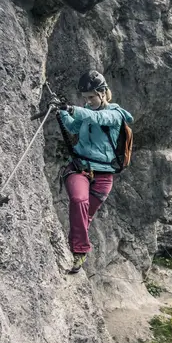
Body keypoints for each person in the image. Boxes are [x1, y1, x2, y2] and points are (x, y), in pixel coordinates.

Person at [51, 70, 133, 274]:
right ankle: (79, 251)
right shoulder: (87, 111)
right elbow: (73, 127)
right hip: (79, 168)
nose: (88, 101)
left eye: (91, 97)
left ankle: (74, 252)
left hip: (104, 176)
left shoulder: (115, 114)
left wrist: (73, 108)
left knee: (84, 217)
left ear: (103, 93)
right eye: (85, 98)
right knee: (79, 201)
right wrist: (61, 111)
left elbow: (99, 118)